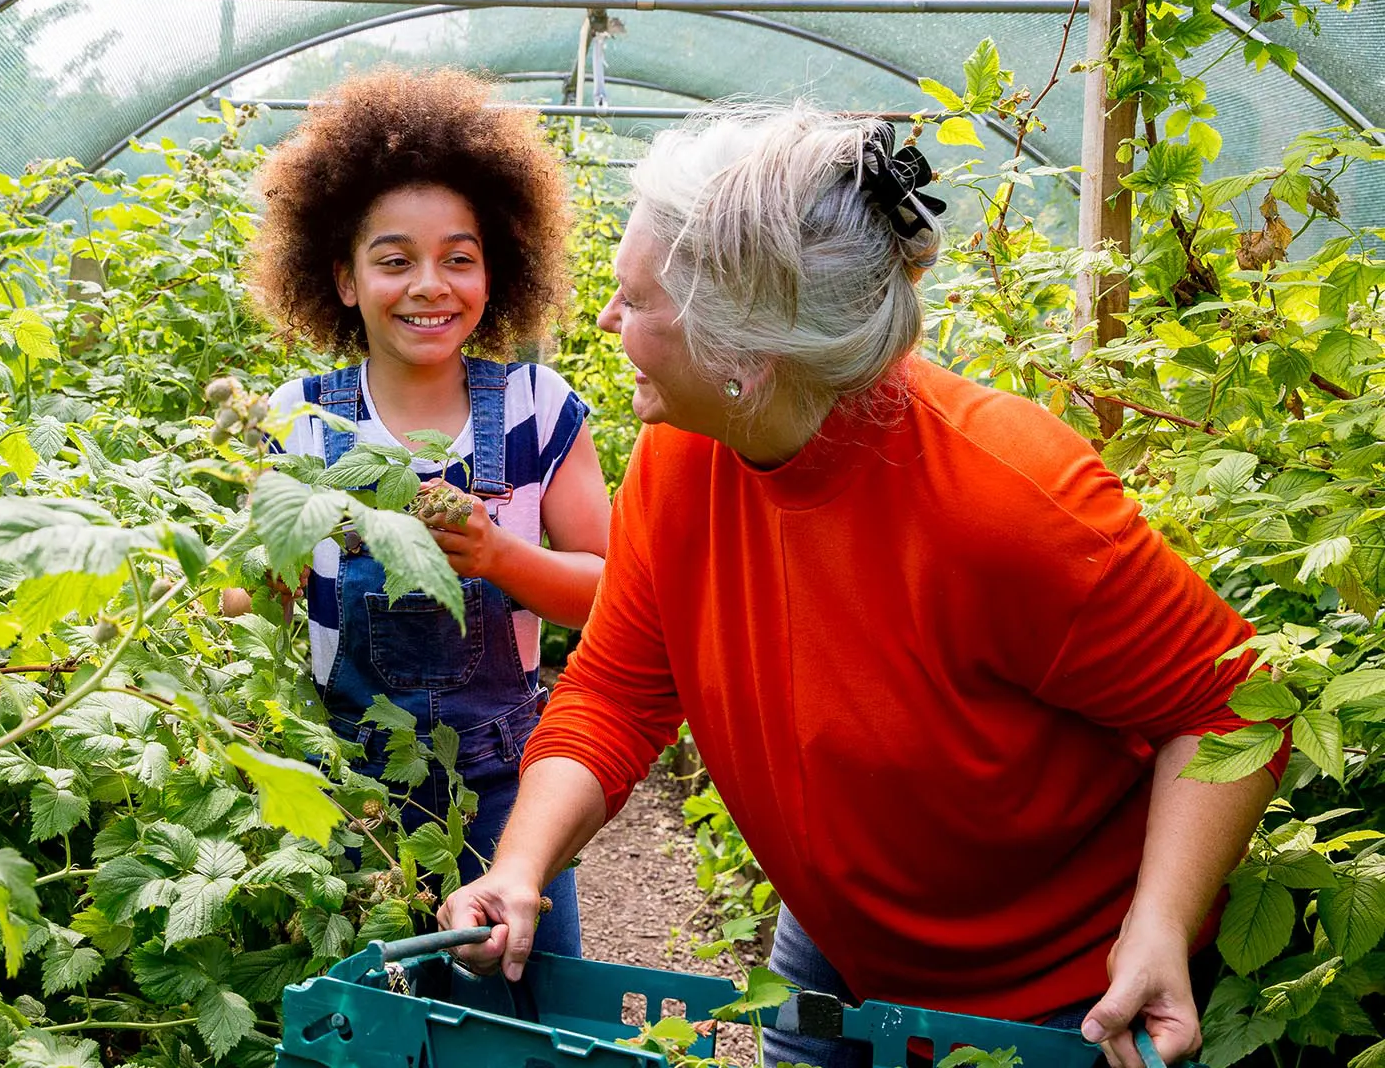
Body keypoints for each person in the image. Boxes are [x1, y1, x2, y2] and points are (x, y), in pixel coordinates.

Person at [436, 103, 1282, 1068]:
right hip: (838, 952)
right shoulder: (683, 459)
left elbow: (1234, 708)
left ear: (745, 357)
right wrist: (519, 867)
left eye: (635, 302)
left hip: (1058, 998)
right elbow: (618, 691)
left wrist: (1160, 927)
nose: (606, 319)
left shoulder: (1008, 500)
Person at [247, 67, 612, 956]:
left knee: (521, 997)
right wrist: (254, 585)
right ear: (341, 278)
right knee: (374, 1010)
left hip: (504, 788)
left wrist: (498, 557)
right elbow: (252, 606)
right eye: (394, 259)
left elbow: (612, 593)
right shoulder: (301, 421)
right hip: (347, 789)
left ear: (496, 271)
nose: (429, 285)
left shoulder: (538, 408)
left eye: (458, 257)